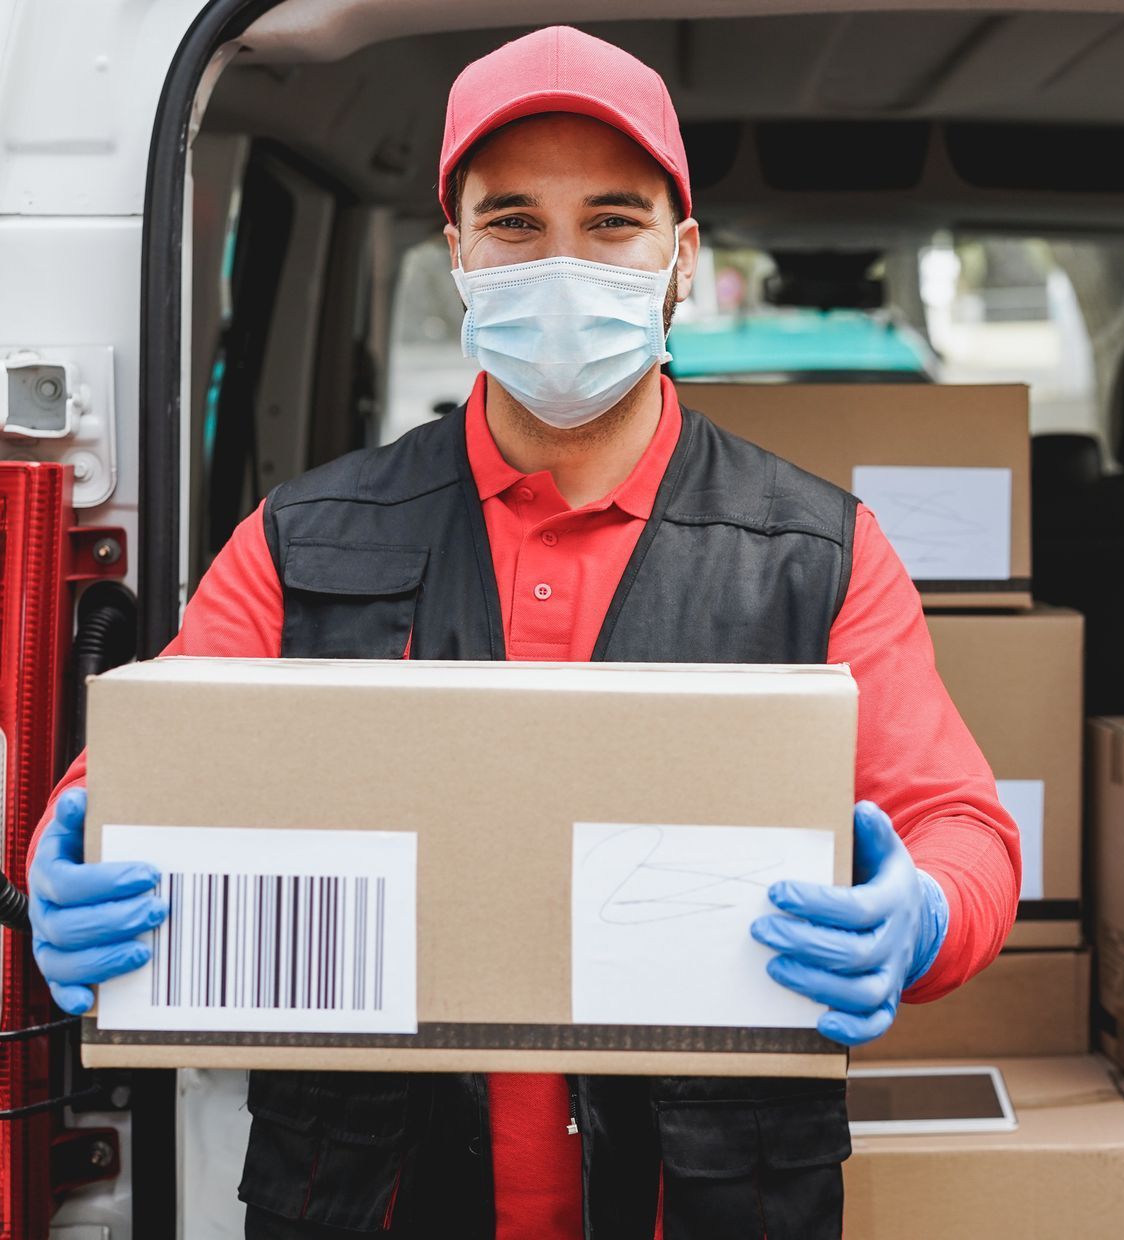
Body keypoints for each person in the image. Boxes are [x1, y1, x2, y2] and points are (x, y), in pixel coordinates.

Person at [25, 25, 1019, 1239]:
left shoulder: (816, 552)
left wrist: (918, 917)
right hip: (374, 1199)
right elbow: (132, 784)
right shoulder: (300, 541)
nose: (564, 262)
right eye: (512, 223)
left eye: (612, 221)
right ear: (457, 252)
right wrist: (64, 859)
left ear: (681, 258)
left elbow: (963, 831)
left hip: (702, 1201)